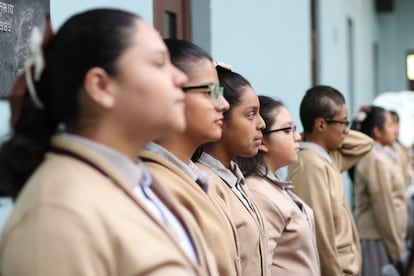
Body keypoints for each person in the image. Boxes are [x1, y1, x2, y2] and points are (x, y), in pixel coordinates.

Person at [0, 9, 219, 275]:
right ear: (101, 87)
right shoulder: (59, 214)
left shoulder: (141, 183)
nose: (180, 78)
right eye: (160, 63)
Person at [140, 38, 241, 276]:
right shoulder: (154, 185)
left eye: (221, 92)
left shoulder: (198, 177)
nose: (224, 104)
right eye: (210, 92)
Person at [287, 85, 374, 276]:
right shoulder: (310, 166)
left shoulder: (329, 156)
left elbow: (365, 144)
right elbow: (320, 235)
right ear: (321, 125)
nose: (346, 130)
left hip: (348, 265)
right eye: (343, 122)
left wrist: (305, 135)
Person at [195, 65, 268, 276]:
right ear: (221, 118)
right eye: (251, 115)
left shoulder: (235, 179)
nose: (262, 124)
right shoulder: (206, 184)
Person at [236, 95, 320, 275]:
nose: (297, 137)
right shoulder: (257, 191)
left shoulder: (273, 186)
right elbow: (260, 264)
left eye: (295, 129)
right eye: (287, 130)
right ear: (263, 140)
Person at [350, 106, 408, 275]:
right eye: (390, 125)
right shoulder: (375, 159)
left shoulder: (386, 154)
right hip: (379, 238)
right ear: (377, 131)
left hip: (387, 237)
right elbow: (384, 207)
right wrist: (396, 248)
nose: (395, 130)